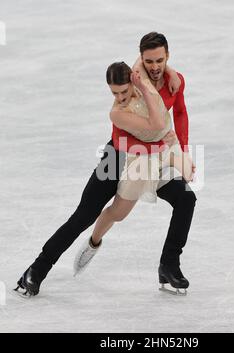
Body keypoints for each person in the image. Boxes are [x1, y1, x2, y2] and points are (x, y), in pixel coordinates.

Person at [15, 32, 197, 297]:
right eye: (149, 62)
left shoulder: (173, 80)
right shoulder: (135, 82)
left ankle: (169, 266)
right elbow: (126, 140)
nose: (154, 66)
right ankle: (35, 270)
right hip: (119, 155)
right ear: (141, 63)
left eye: (160, 61)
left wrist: (183, 150)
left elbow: (179, 112)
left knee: (186, 200)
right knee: (85, 214)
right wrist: (170, 150)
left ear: (167, 57)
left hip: (151, 158)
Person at [73, 62, 194, 296]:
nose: (119, 97)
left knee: (187, 198)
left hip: (162, 154)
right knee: (118, 213)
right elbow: (157, 124)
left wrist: (166, 71)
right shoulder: (118, 112)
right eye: (114, 93)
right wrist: (174, 155)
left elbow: (146, 56)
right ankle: (94, 242)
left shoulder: (143, 80)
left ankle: (169, 266)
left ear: (133, 79)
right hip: (139, 160)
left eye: (123, 91)